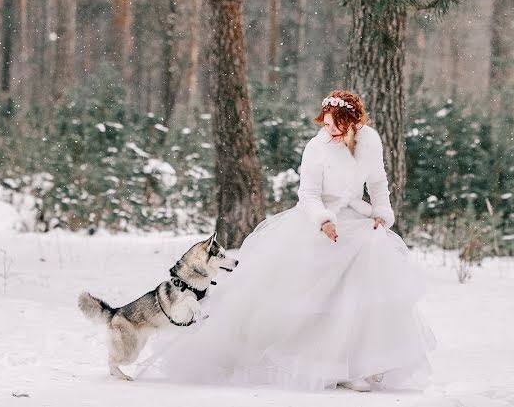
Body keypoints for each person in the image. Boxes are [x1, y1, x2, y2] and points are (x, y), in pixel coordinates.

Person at [137, 90, 436, 392]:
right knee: (313, 300)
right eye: (326, 123)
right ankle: (322, 365)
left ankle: (354, 365)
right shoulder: (317, 147)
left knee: (357, 295)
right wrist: (324, 221)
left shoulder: (370, 142)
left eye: (336, 125)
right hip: (319, 221)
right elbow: (307, 194)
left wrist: (381, 214)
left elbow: (378, 182)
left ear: (352, 122)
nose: (329, 130)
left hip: (357, 221)